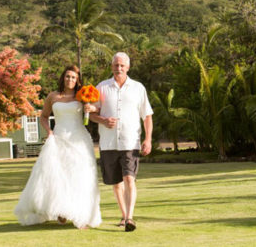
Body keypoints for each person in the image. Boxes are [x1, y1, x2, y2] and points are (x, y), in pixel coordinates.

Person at [14, 65, 101, 229]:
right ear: (63, 78)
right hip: (59, 137)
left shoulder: (82, 96)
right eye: (68, 76)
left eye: (74, 77)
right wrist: (49, 131)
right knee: (59, 174)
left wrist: (92, 108)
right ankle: (61, 210)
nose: (70, 79)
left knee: (81, 175)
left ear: (78, 80)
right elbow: (44, 117)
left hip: (79, 138)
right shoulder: (53, 96)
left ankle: (82, 214)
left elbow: (96, 110)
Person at [88, 52, 153, 232]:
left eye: (122, 65)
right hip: (108, 143)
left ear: (128, 67)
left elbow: (147, 116)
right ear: (112, 67)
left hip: (130, 142)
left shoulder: (138, 88)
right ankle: (124, 216)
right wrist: (103, 120)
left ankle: (130, 217)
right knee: (116, 183)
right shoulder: (101, 87)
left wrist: (148, 139)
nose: (119, 68)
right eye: (116, 65)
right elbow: (92, 113)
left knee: (129, 178)